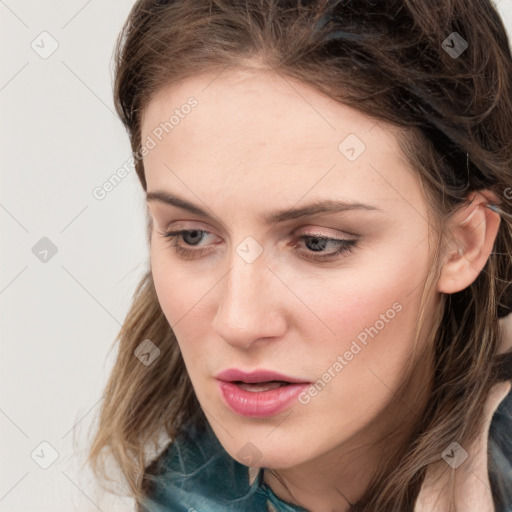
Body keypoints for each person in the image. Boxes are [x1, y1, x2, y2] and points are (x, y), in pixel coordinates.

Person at [86, 1, 512, 510]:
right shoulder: (177, 490)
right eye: (193, 236)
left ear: (463, 244)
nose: (239, 322)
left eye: (318, 243)